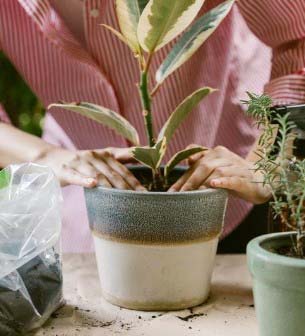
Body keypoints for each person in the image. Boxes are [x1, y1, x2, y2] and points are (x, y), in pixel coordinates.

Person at [0, 0, 304, 252]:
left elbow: (298, 37)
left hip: (229, 190)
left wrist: (266, 164)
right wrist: (45, 157)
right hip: (90, 210)